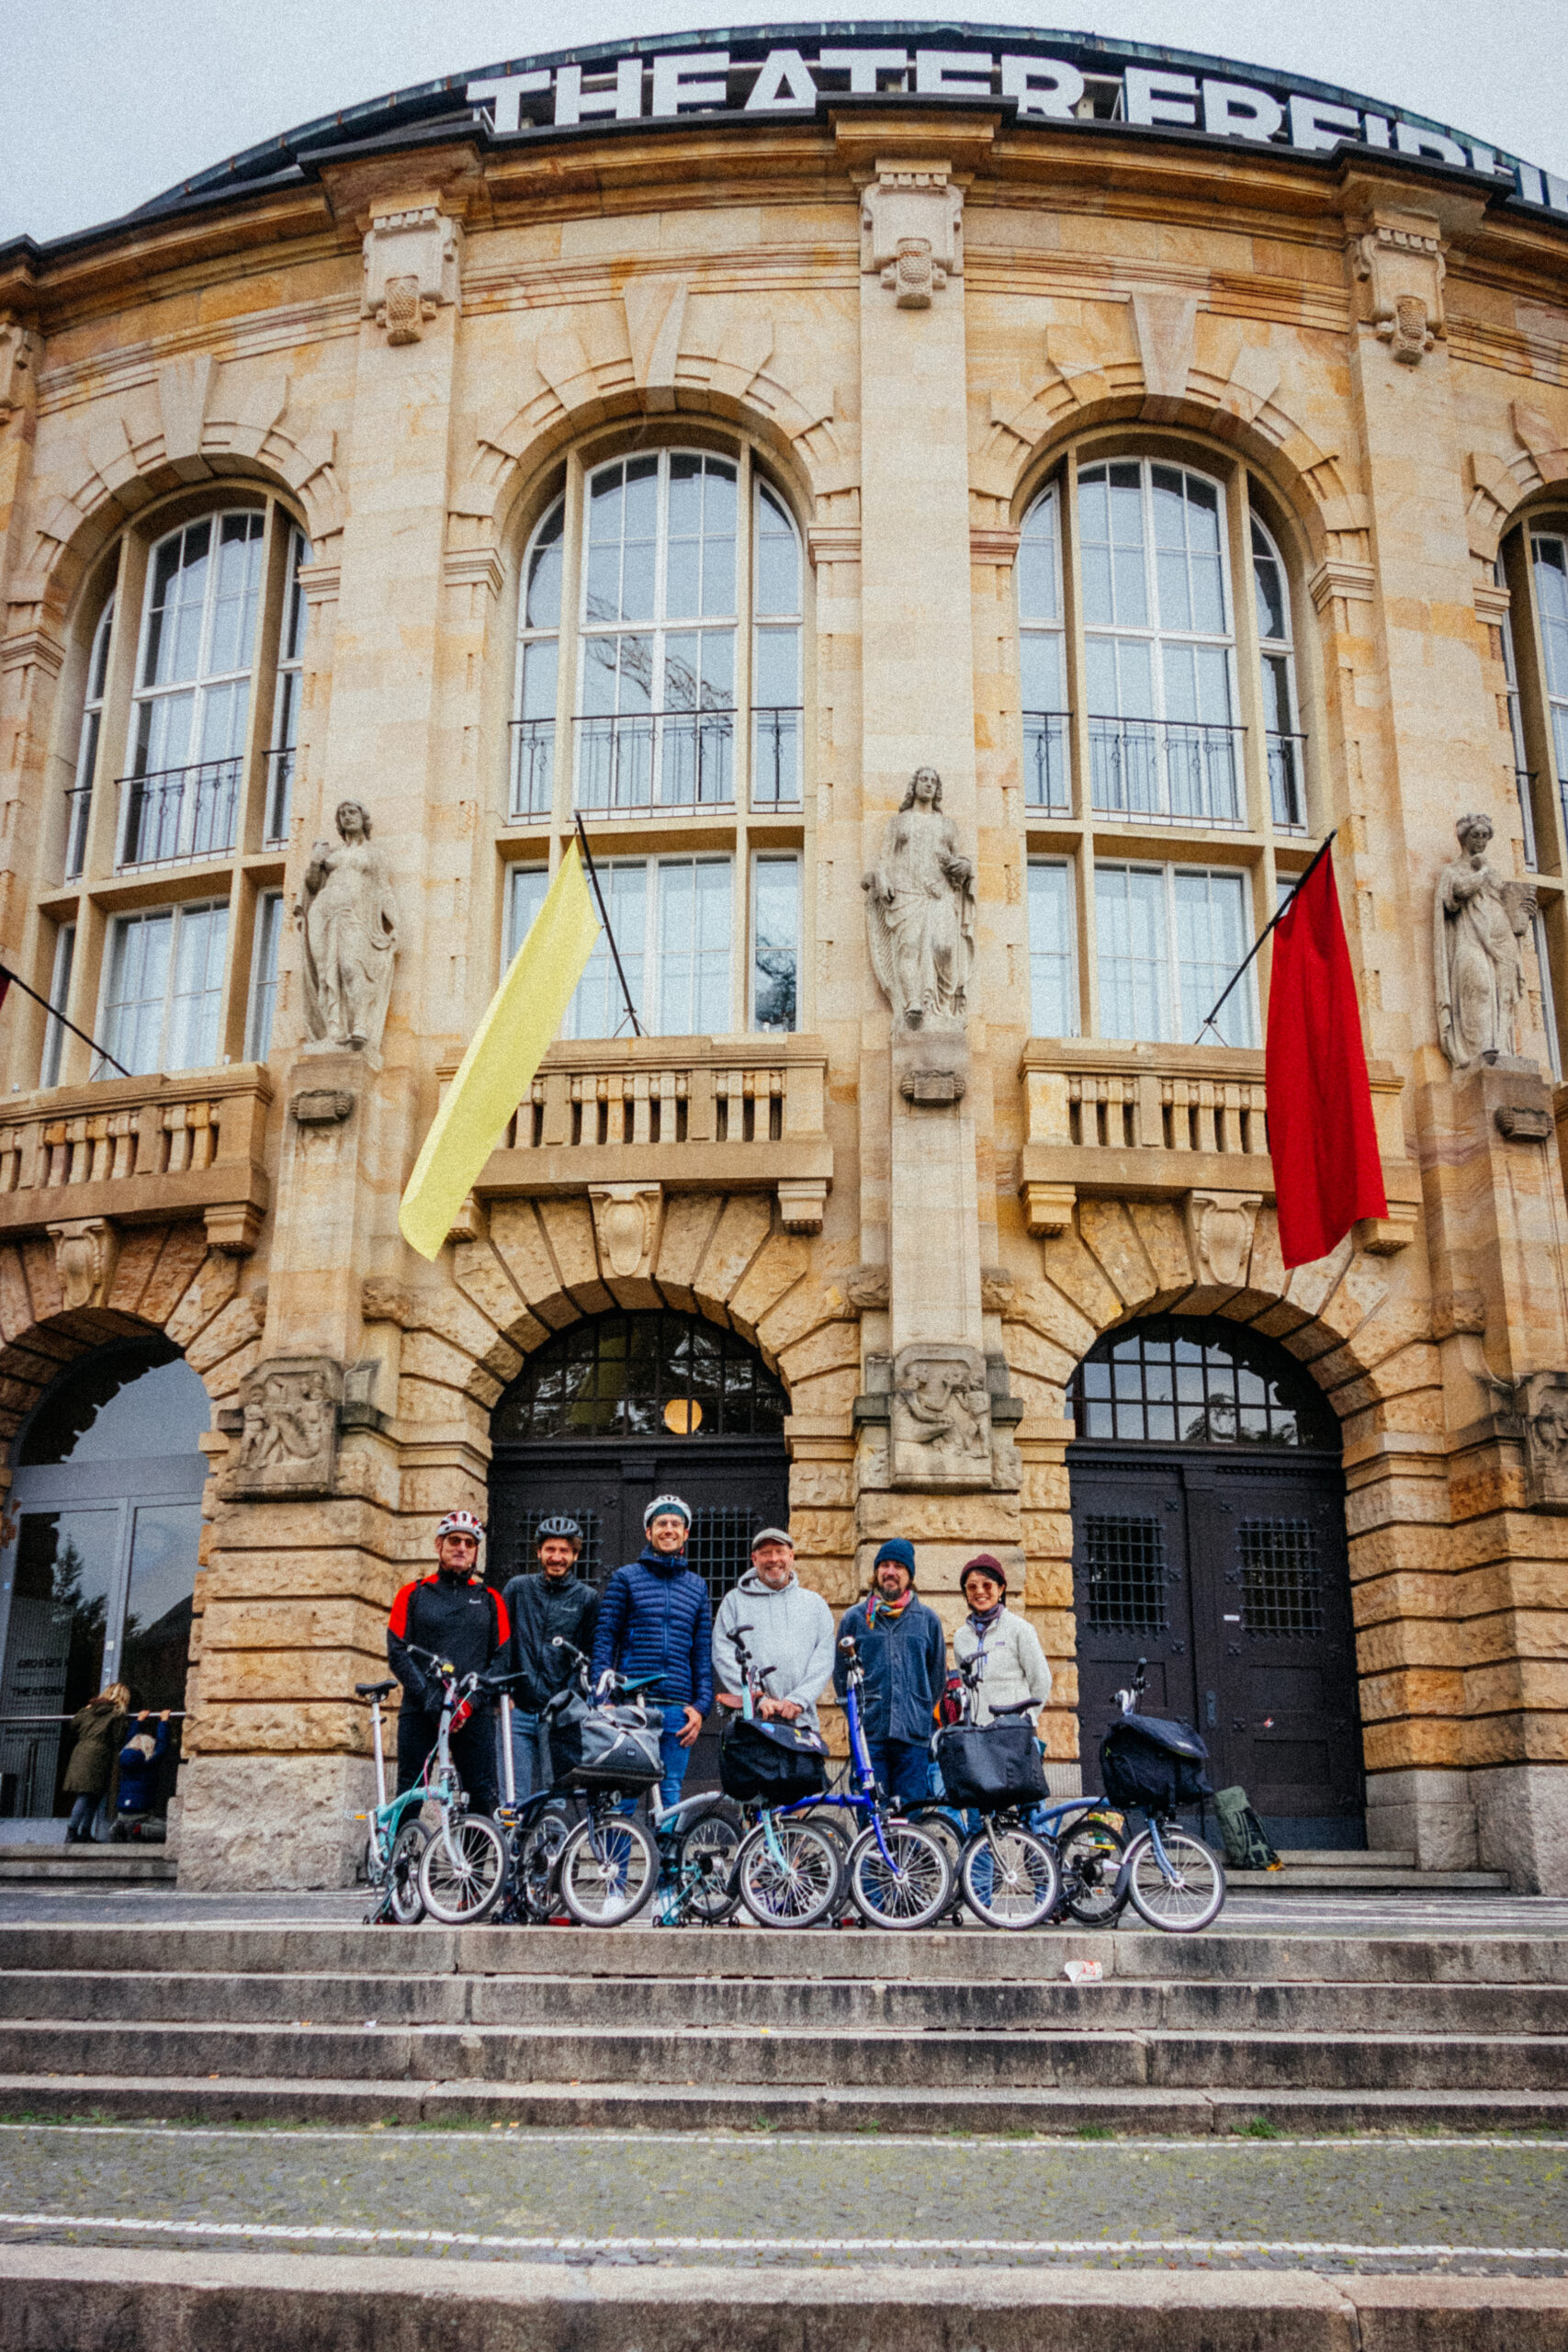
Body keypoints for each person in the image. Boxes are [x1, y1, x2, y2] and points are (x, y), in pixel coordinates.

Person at [590, 1495, 712, 1812]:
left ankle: (667, 1863)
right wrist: (603, 1699)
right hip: (633, 1704)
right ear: (648, 1532)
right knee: (625, 1796)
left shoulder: (697, 1587)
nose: (668, 1529)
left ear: (686, 1534)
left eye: (675, 1524)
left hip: (678, 1709)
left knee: (671, 1794)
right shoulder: (625, 1579)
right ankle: (616, 1865)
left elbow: (701, 1651)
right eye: (661, 1523)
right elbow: (605, 1639)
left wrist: (700, 1707)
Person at [387, 1509, 509, 1814]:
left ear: (476, 1552)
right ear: (438, 1545)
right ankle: (402, 1858)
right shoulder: (412, 1594)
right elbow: (397, 1651)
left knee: (481, 1795)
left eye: (470, 1543)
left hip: (472, 1711)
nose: (462, 1548)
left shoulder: (491, 1599)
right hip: (421, 1707)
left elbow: (502, 1657)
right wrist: (429, 1697)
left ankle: (471, 1861)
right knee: (411, 1791)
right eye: (454, 1540)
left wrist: (470, 1702)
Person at [833, 1538, 947, 1804]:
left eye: (898, 1566)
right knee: (871, 1814)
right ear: (876, 1573)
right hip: (870, 1737)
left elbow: (937, 1676)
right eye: (884, 1565)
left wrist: (918, 1711)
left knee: (910, 1816)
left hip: (913, 1738)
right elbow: (841, 1674)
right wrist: (859, 1715)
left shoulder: (927, 1620)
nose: (891, 1572)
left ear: (909, 1575)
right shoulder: (855, 1618)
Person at [500, 1516, 599, 1799]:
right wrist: (503, 1692)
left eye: (564, 1551)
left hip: (559, 1714)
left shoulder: (587, 1598)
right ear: (539, 1552)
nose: (556, 1557)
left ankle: (555, 1845)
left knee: (555, 1797)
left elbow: (589, 1654)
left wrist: (572, 1699)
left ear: (575, 1555)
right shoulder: (518, 1589)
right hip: (517, 1708)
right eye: (550, 1550)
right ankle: (512, 1844)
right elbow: (502, 1643)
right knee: (512, 1797)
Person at [712, 1527, 834, 1729]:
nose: (773, 1559)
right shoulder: (734, 1602)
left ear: (791, 1556)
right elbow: (723, 1654)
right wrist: (757, 1699)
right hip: (753, 1722)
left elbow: (824, 1658)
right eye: (765, 1553)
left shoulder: (814, 1604)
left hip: (802, 1722)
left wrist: (798, 1700)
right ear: (754, 1559)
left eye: (780, 1551)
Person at [951, 1555, 1052, 1727]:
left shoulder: (1020, 1629)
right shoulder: (961, 1637)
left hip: (1013, 1732)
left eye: (987, 1585)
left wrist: (1025, 1720)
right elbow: (966, 1686)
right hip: (976, 1733)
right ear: (966, 1593)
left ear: (1001, 1589)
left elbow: (1042, 1681)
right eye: (972, 1587)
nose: (980, 1591)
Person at [62, 1683, 130, 1842]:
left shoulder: (89, 1709)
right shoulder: (116, 1713)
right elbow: (117, 1738)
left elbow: (74, 1724)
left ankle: (80, 1832)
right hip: (100, 1754)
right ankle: (74, 1832)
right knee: (90, 1795)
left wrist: (85, 1710)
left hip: (81, 1751)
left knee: (88, 1794)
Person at [114, 1710, 172, 1838]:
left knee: (124, 1820)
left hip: (122, 1811)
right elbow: (162, 1745)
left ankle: (118, 1826)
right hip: (141, 1813)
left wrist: (139, 1720)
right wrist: (164, 1722)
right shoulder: (149, 1761)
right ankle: (139, 1829)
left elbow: (129, 1738)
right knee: (169, 1830)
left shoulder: (123, 1758)